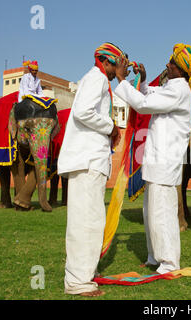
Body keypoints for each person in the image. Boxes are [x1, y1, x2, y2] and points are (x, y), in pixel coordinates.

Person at [114, 43, 191, 274]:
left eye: (172, 62)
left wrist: (121, 80)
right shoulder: (171, 86)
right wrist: (142, 80)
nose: (167, 64)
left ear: (180, 70)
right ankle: (155, 256)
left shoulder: (179, 89)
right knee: (151, 212)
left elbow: (144, 105)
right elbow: (149, 94)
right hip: (157, 160)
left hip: (165, 161)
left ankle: (169, 262)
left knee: (162, 213)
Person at [57, 42, 123, 297]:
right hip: (87, 161)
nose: (121, 69)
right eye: (119, 63)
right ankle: (77, 281)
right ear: (108, 62)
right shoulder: (96, 78)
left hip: (91, 161)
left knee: (91, 221)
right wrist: (111, 127)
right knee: (85, 223)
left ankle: (84, 274)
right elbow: (84, 112)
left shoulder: (97, 80)